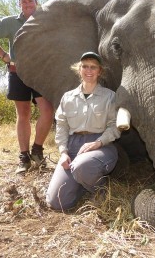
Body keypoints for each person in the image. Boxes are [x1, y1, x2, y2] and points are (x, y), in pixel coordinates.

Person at [0, 0, 54, 173]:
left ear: (36, 2)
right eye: (23, 1)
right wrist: (3, 55)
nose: (27, 4)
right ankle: (24, 157)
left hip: (41, 73)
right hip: (17, 72)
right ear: (19, 5)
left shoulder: (44, 20)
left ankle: (37, 150)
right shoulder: (11, 22)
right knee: (23, 114)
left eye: (30, 0)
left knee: (47, 110)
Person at [46, 52, 121, 210]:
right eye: (85, 66)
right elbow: (62, 126)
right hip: (73, 146)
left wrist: (99, 142)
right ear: (79, 69)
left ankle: (100, 189)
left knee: (82, 166)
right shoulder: (67, 97)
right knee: (57, 202)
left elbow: (115, 126)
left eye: (93, 67)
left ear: (99, 71)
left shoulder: (110, 96)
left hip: (101, 145)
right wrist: (63, 152)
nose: (89, 70)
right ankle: (82, 183)